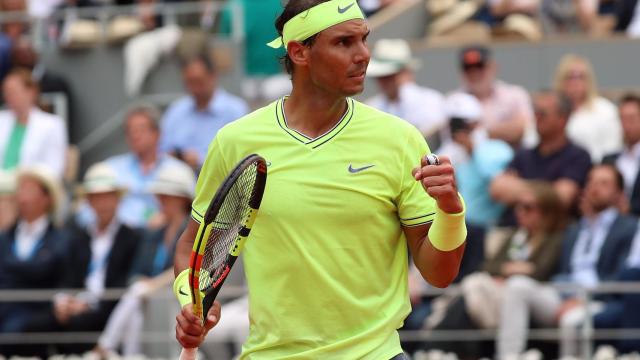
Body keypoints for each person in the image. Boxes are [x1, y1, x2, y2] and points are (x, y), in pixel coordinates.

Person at [173, 1, 467, 359]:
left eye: (364, 39)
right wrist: (193, 303)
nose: (363, 55)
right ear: (299, 52)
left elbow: (439, 274)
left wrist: (450, 211)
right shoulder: (235, 141)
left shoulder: (401, 140)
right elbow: (193, 246)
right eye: (344, 42)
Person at [496, 164, 637, 359]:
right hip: (562, 293)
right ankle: (509, 356)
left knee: (572, 320)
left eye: (604, 183)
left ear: (619, 193)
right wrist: (567, 293)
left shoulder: (628, 227)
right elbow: (561, 269)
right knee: (517, 285)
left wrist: (583, 298)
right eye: (591, 181)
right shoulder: (575, 229)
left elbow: (622, 276)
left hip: (596, 298)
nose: (595, 187)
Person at [26, 162, 140, 355]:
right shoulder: (79, 237)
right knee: (37, 324)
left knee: (77, 326)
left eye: (107, 197)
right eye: (97, 198)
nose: (102, 204)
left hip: (108, 307)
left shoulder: (131, 238)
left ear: (117, 200)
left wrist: (88, 305)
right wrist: (64, 301)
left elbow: (124, 282)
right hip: (78, 304)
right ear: (89, 202)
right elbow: (68, 276)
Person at [94, 161, 196, 356]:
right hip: (148, 296)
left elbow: (191, 268)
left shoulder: (192, 231)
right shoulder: (154, 232)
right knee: (138, 301)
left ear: (183, 199)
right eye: (160, 195)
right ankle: (132, 355)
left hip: (176, 294)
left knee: (138, 292)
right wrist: (146, 284)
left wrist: (152, 284)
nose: (161, 200)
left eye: (168, 196)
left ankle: (106, 346)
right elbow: (137, 270)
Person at [461, 181, 566, 331]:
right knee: (473, 282)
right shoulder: (515, 235)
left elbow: (542, 271)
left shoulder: (555, 238)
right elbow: (488, 265)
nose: (520, 212)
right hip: (506, 294)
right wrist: (509, 269)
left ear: (546, 212)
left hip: (542, 295)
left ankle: (505, 348)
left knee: (515, 285)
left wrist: (509, 274)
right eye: (518, 206)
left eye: (528, 208)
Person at [491, 90, 592, 226]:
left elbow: (561, 198)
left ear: (563, 119)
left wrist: (517, 187)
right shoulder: (524, 154)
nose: (537, 118)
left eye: (543, 114)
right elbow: (497, 189)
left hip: (553, 235)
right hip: (514, 230)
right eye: (535, 112)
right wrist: (547, 189)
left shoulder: (578, 156)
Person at [78, 104, 187, 228]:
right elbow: (84, 211)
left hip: (158, 237)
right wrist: (108, 222)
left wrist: (167, 219)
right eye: (130, 131)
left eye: (141, 129)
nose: (135, 136)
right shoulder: (110, 168)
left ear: (158, 134)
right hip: (118, 238)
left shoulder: (177, 171)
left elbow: (188, 211)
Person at [0, 166, 67, 357]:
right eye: (20, 190)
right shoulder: (5, 238)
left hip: (37, 317)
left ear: (47, 198)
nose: (22, 198)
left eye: (29, 190)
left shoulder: (62, 240)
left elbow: (65, 281)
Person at [159, 54, 249, 170]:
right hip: (177, 179)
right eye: (189, 82)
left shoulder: (235, 110)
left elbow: (241, 155)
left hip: (221, 182)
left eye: (199, 81)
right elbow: (161, 151)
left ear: (213, 76)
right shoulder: (176, 110)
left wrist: (201, 160)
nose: (195, 88)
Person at [451, 45, 534, 147]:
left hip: (514, 159)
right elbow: (457, 139)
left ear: (493, 67)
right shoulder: (454, 100)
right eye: (468, 68)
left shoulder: (514, 95)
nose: (474, 73)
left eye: (480, 66)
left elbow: (521, 129)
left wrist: (481, 134)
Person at [366, 38, 446, 143]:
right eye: (380, 76)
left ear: (406, 72)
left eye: (390, 76)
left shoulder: (431, 101)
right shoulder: (372, 108)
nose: (383, 81)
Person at [554, 54, 622, 163]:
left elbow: (612, 150)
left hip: (594, 171)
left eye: (581, 77)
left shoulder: (605, 111)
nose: (575, 82)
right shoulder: (550, 111)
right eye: (570, 77)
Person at [0, 68, 68, 178]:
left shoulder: (52, 125)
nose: (9, 97)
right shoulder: (1, 120)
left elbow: (54, 168)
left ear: (31, 92)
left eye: (14, 92)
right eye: (6, 93)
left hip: (32, 190)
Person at [603, 94, 640, 216]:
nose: (626, 124)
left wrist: (629, 208)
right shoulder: (609, 160)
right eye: (622, 119)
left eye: (631, 118)